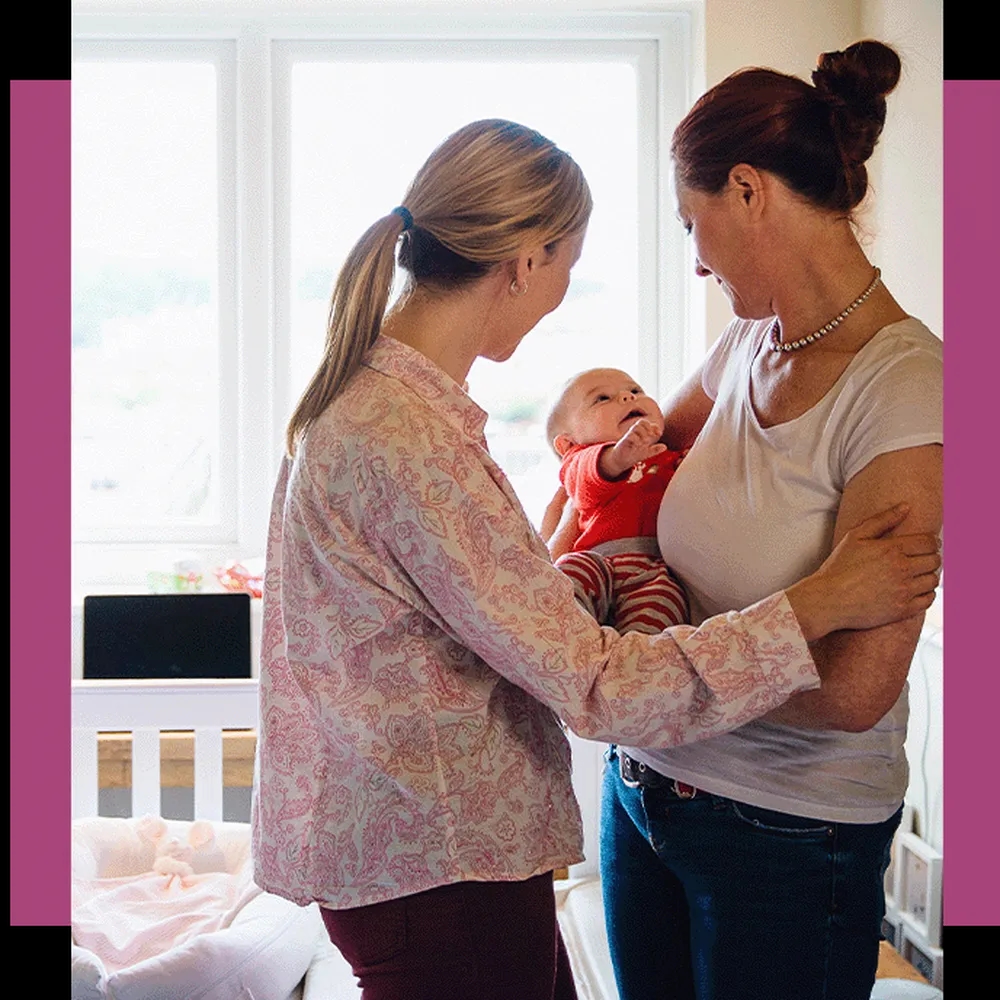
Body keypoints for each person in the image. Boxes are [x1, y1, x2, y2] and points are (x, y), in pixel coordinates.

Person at [249, 118, 941, 1000]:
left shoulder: (379, 407)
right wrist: (818, 601)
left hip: (438, 850)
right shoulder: (405, 439)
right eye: (568, 266)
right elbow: (598, 685)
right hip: (441, 858)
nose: (562, 296)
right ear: (526, 260)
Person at [585, 41, 943, 1000]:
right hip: (642, 791)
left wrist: (651, 667)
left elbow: (855, 689)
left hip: (787, 834)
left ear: (748, 191)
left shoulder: (907, 388)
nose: (695, 261)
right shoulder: (745, 344)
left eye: (691, 224)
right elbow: (627, 473)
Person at [545, 367, 688, 634]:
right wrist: (618, 457)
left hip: (653, 567)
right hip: (596, 559)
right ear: (567, 445)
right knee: (566, 576)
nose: (626, 397)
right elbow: (590, 477)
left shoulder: (667, 455)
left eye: (636, 391)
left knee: (663, 601)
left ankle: (637, 660)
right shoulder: (579, 462)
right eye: (602, 399)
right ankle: (558, 637)